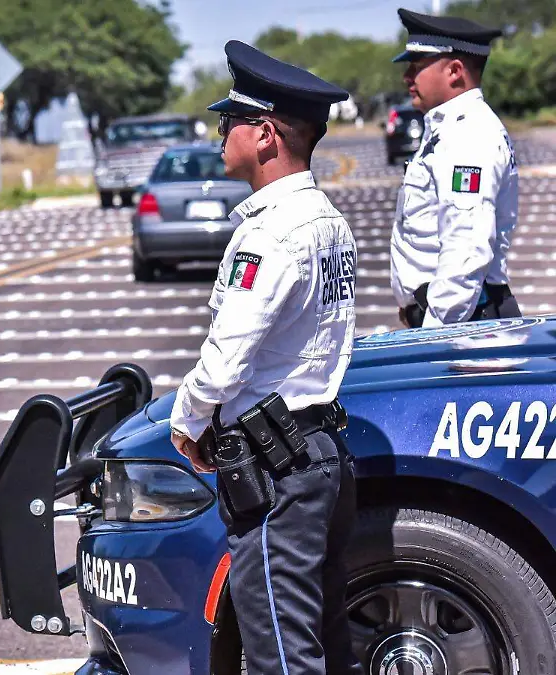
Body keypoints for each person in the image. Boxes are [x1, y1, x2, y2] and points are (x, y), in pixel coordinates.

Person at [169, 40, 360, 675]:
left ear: (267, 136)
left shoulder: (271, 232)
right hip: (319, 452)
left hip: (277, 468)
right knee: (321, 640)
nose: (221, 133)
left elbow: (227, 360)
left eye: (232, 123)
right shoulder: (327, 219)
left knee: (280, 652)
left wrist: (187, 418)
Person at [389, 8, 520, 328]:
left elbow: (466, 250)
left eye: (416, 66)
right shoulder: (450, 129)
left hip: (462, 324)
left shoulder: (469, 137)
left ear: (455, 71)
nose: (407, 77)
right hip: (460, 319)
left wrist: (432, 336)